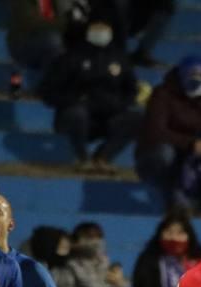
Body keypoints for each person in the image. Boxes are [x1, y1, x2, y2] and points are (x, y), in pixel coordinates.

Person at [37, 15, 142, 173]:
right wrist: (75, 101)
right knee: (77, 114)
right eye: (97, 26)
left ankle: (103, 158)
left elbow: (131, 90)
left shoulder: (120, 58)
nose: (101, 31)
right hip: (75, 117)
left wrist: (118, 104)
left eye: (104, 27)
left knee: (136, 118)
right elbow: (48, 91)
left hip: (109, 117)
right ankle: (82, 158)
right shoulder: (71, 57)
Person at [135, 56, 201, 210]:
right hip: (157, 153)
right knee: (165, 154)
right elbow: (155, 131)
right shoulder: (162, 94)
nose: (196, 80)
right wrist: (190, 144)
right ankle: (171, 198)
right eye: (191, 75)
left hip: (191, 155)